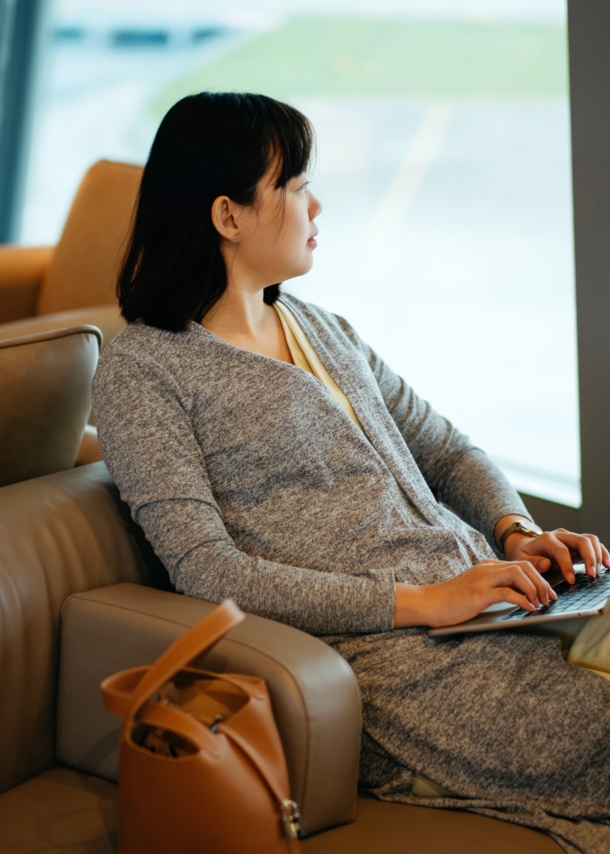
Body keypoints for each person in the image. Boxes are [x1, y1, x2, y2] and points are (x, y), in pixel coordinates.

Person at [92, 92, 610, 853]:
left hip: (497, 601)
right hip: (399, 661)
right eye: (296, 187)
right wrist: (420, 602)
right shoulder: (146, 371)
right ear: (227, 215)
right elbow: (209, 572)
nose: (316, 204)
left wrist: (516, 532)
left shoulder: (322, 328)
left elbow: (445, 449)